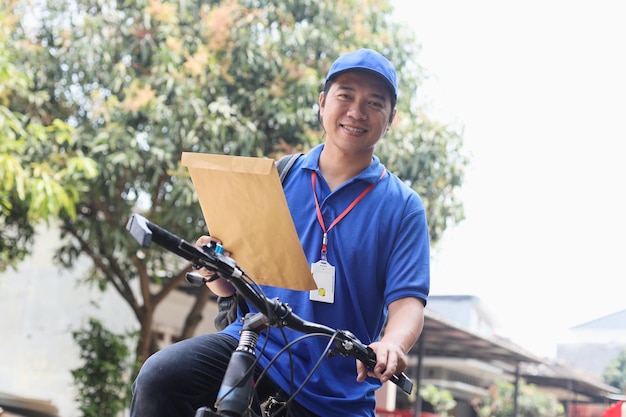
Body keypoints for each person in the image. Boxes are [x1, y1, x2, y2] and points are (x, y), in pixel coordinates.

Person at [130, 48, 431, 417]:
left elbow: (408, 303)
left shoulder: (402, 206)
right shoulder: (278, 177)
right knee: (161, 378)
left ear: (391, 119)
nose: (356, 111)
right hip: (258, 350)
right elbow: (239, 282)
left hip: (338, 390)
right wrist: (216, 268)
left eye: (374, 102)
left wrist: (392, 344)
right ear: (322, 103)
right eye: (345, 95)